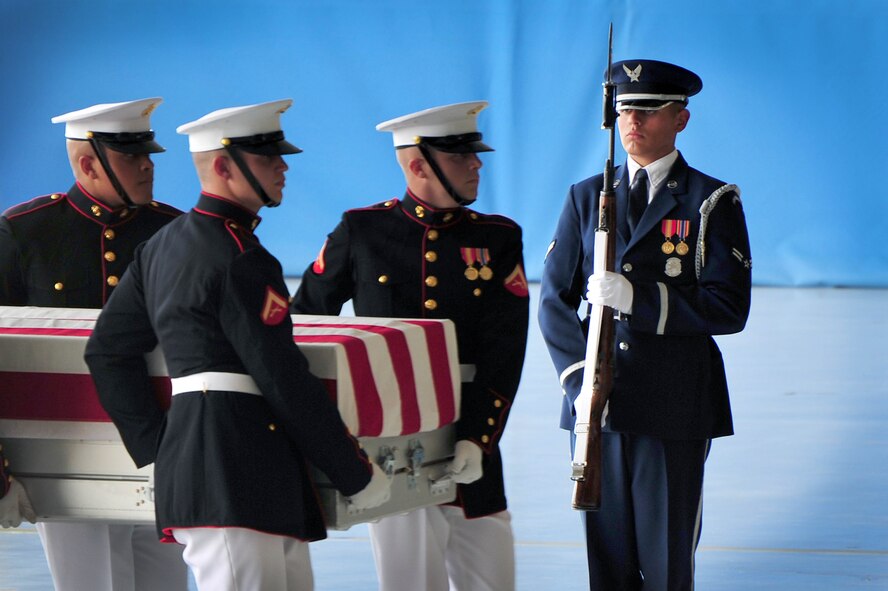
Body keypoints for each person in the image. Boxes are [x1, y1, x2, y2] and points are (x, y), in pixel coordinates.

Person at [84, 99, 392, 591]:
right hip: (233, 475)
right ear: (225, 166)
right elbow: (283, 377)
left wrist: (161, 448)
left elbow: (107, 351)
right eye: (269, 157)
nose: (284, 167)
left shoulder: (160, 247)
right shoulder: (241, 256)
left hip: (223, 469)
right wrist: (353, 471)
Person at [292, 101, 530, 591]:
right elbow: (305, 323)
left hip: (471, 431)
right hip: (393, 442)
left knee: (493, 576)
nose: (477, 164)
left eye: (474, 154)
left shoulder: (498, 237)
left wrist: (477, 438)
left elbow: (505, 349)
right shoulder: (363, 231)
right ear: (420, 165)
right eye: (462, 156)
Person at [538, 59, 753, 590]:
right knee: (606, 559)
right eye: (625, 110)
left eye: (649, 110)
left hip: (674, 403)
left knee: (666, 558)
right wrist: (581, 380)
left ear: (680, 118)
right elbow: (553, 301)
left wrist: (640, 298)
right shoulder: (586, 196)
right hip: (598, 404)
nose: (633, 121)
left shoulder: (710, 200)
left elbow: (729, 306)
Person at [0, 98, 188, 591]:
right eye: (132, 156)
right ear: (88, 164)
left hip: (160, 439)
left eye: (149, 153)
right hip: (67, 451)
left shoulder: (172, 231)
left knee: (166, 581)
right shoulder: (26, 233)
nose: (149, 164)